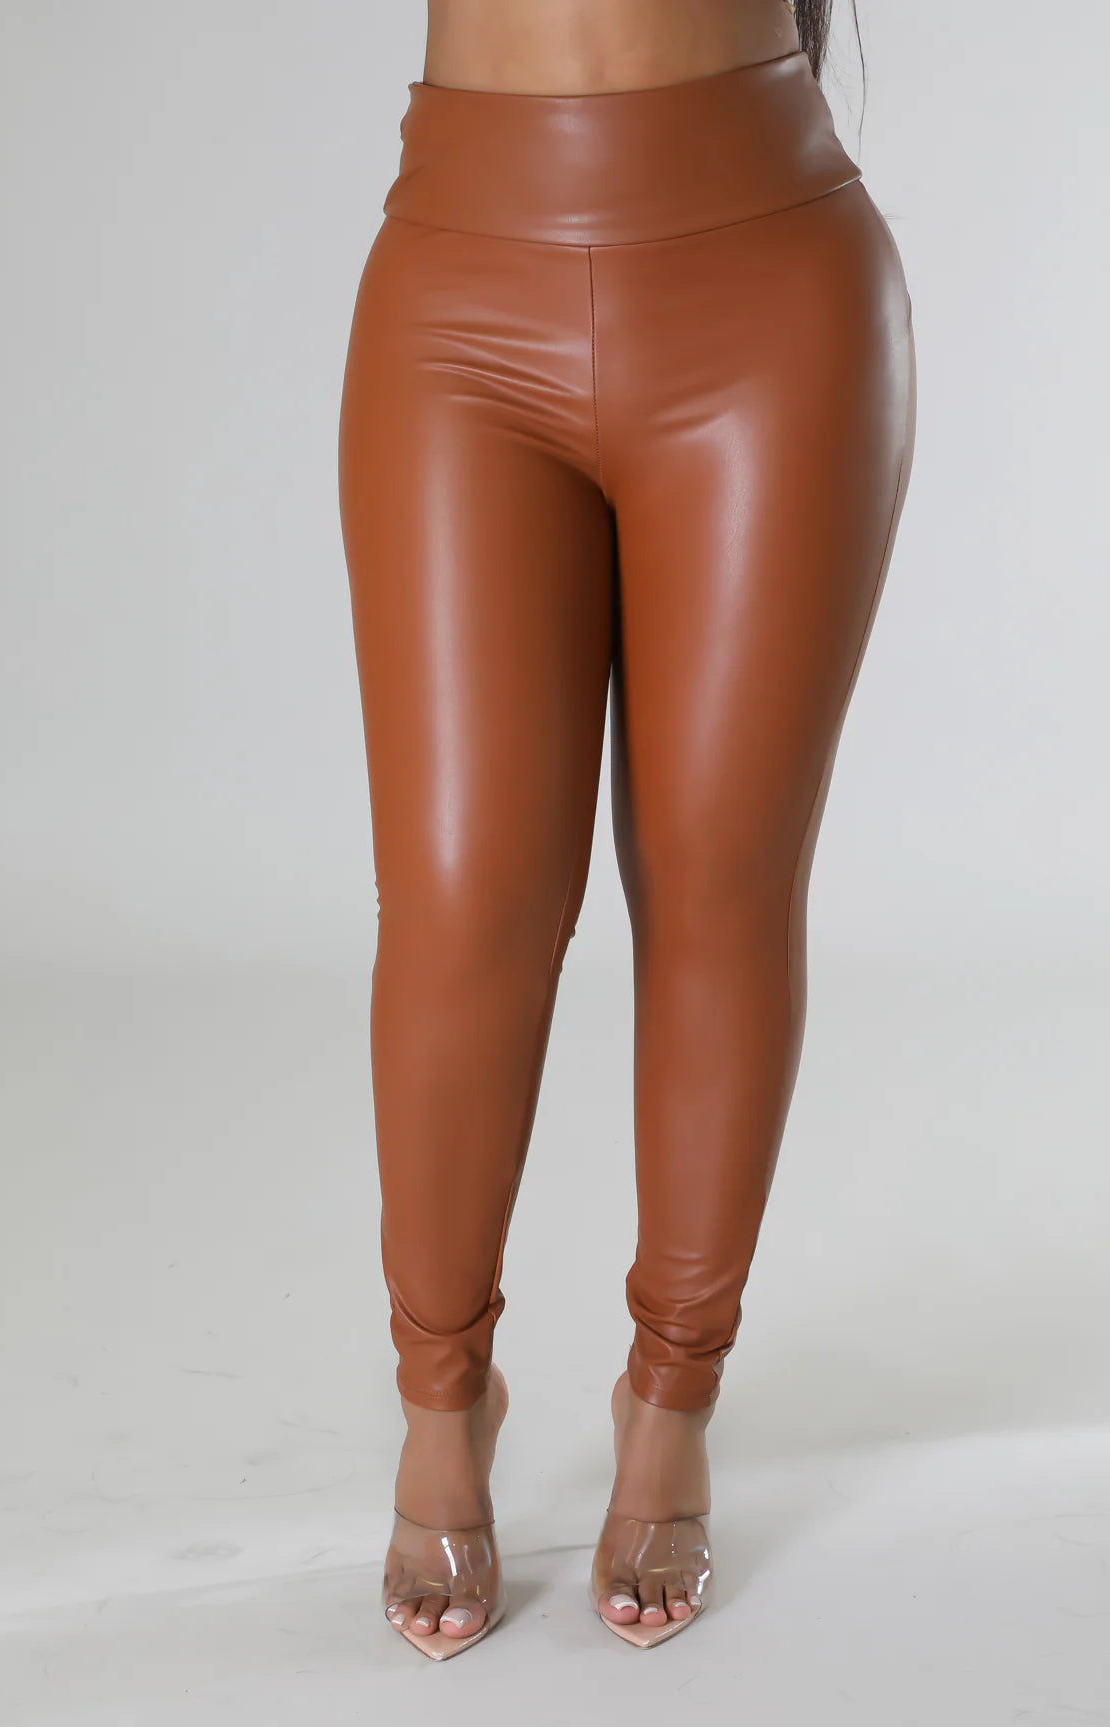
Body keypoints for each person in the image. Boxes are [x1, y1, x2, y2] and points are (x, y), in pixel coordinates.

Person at [338, 0, 915, 1658]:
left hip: (769, 285)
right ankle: (444, 1387)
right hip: (461, 288)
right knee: (462, 902)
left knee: (721, 883)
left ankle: (673, 1393)